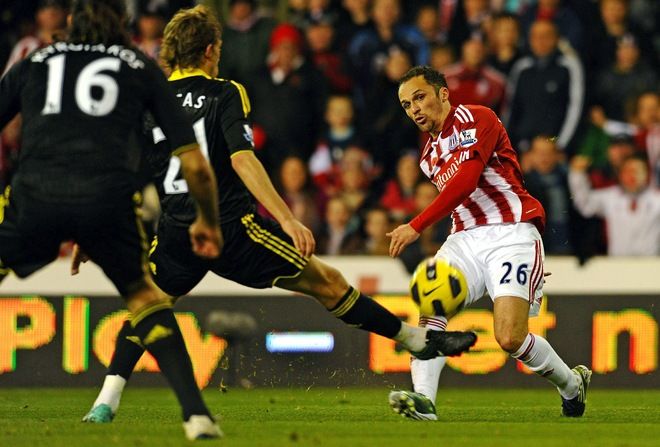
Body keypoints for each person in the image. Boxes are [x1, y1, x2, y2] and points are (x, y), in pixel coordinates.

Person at [77, 6, 477, 427]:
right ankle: (414, 340)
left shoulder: (150, 100)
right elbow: (242, 159)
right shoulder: (225, 92)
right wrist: (286, 218)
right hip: (232, 230)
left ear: (171, 52)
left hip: (178, 231)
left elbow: (122, 166)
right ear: (211, 50)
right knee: (328, 284)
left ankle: (104, 403)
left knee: (146, 307)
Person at [0, 0, 223, 440]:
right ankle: (196, 416)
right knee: (145, 299)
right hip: (106, 200)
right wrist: (209, 221)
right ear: (121, 24)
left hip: (36, 195)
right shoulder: (139, 66)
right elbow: (195, 165)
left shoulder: (36, 61)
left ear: (70, 23)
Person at [386, 65, 590, 420]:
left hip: (510, 232)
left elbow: (465, 181)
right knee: (431, 311)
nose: (414, 109)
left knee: (510, 338)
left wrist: (417, 225)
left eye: (419, 97)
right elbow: (460, 199)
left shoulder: (476, 118)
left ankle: (571, 385)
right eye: (406, 105)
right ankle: (424, 402)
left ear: (443, 94)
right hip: (463, 238)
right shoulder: (427, 157)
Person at [569, 154, 660, 256]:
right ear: (620, 174)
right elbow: (585, 205)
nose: (632, 176)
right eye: (627, 171)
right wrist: (577, 174)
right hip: (617, 265)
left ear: (647, 174)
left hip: (651, 265)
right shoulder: (610, 197)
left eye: (637, 171)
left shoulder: (657, 199)